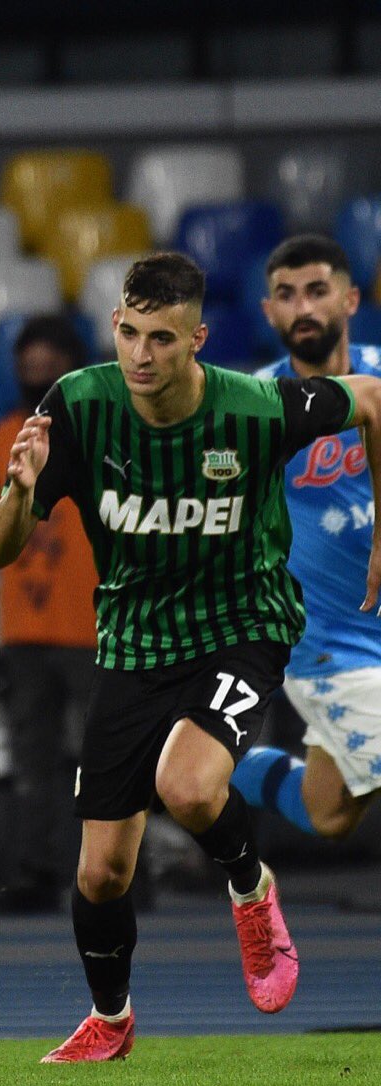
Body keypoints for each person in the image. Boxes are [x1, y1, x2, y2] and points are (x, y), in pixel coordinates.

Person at [0, 251, 381, 1064]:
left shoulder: (258, 408)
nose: (139, 355)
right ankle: (112, 1021)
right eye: (127, 333)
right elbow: (0, 550)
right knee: (100, 873)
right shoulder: (81, 406)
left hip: (244, 624)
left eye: (160, 338)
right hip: (133, 645)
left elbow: (374, 399)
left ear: (195, 339)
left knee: (189, 784)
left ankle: (251, 890)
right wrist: (18, 496)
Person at [231, 235, 381, 838]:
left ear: (349, 300)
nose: (302, 309)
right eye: (286, 296)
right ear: (268, 311)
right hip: (327, 642)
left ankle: (193, 761)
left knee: (329, 811)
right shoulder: (253, 407)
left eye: (316, 292)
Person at [0, 315, 99, 916]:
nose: (39, 380)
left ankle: (115, 873)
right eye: (30, 370)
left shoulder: (106, 428)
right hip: (25, 627)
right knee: (33, 760)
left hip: (95, 624)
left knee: (108, 758)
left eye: (50, 370)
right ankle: (35, 872)